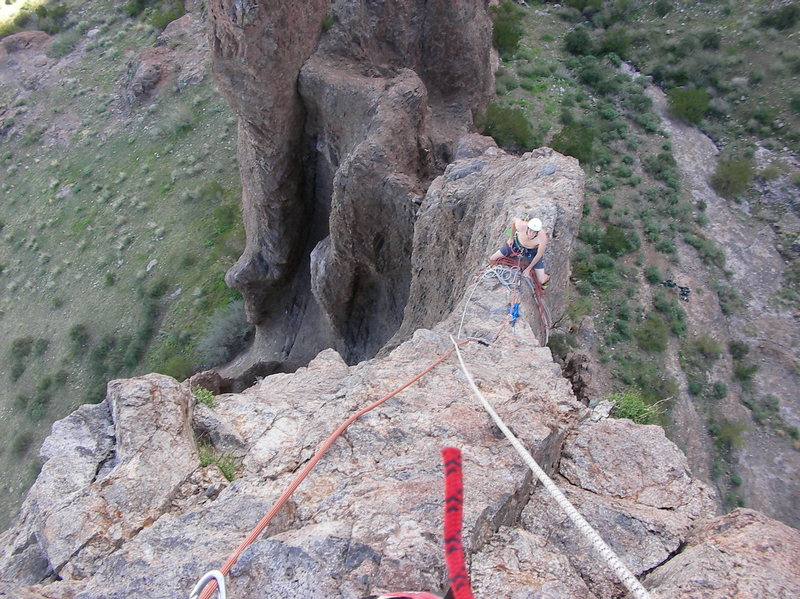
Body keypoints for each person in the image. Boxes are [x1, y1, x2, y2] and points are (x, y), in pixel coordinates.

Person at [489, 217, 549, 286]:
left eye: (534, 232)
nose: (531, 234)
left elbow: (539, 255)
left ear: (537, 233)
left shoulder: (542, 238)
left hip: (532, 253)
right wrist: (511, 238)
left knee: (541, 281)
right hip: (516, 245)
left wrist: (528, 269)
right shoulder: (521, 226)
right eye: (530, 231)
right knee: (492, 258)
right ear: (528, 228)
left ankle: (547, 277)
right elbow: (514, 222)